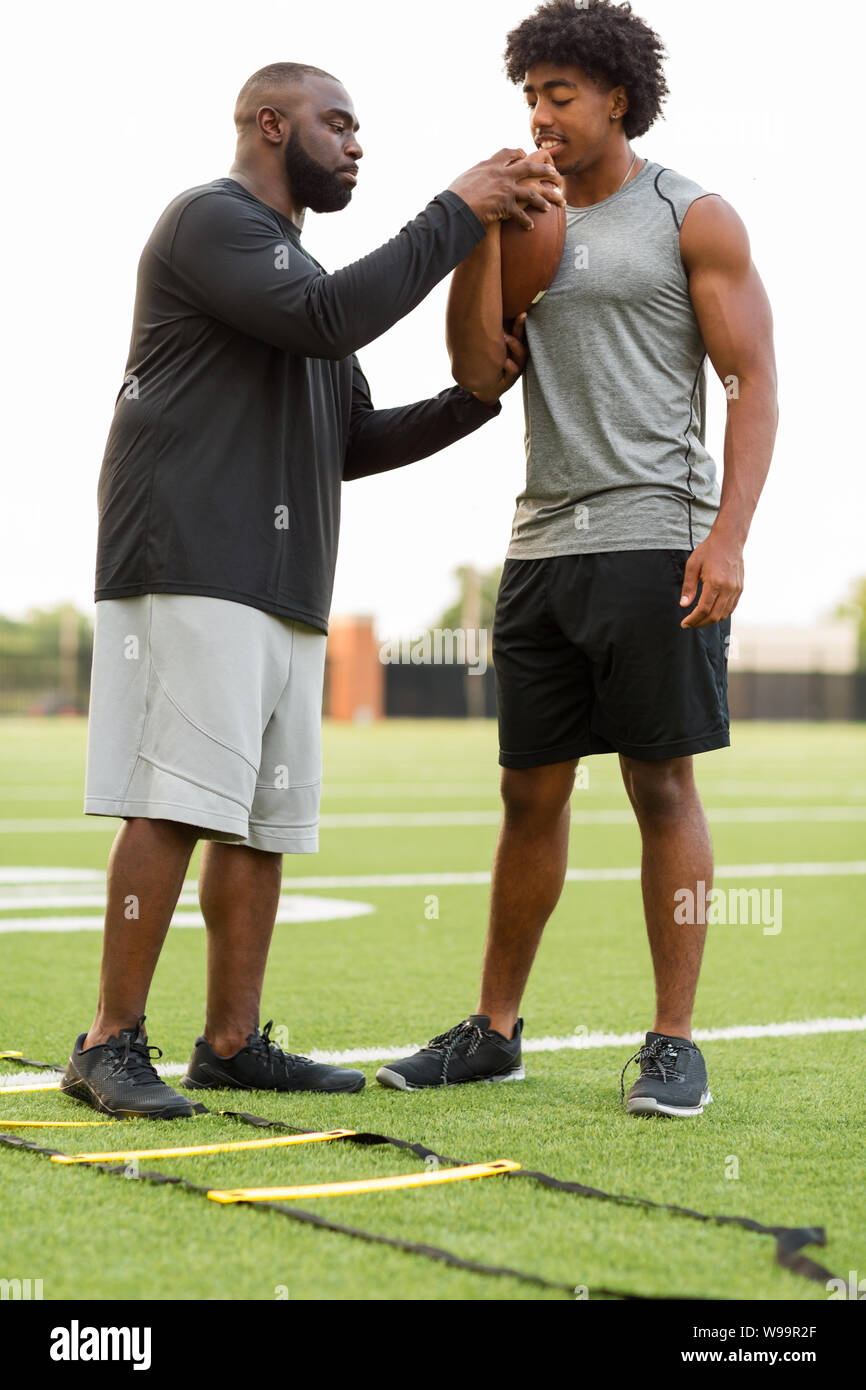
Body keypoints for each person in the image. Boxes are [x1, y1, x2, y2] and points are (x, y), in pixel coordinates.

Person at [62, 60, 563, 1119]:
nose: (354, 144)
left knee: (260, 822)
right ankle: (108, 1039)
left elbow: (351, 440)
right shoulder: (213, 224)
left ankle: (232, 1044)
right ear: (268, 122)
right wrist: (457, 210)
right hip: (192, 563)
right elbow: (335, 316)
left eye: (359, 129)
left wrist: (478, 398)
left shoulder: (299, 272)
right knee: (175, 801)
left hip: (283, 585)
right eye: (337, 125)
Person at [377, 0, 778, 1116]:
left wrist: (728, 534)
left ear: (615, 98)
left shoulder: (691, 216)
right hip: (543, 541)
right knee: (525, 792)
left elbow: (753, 386)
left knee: (658, 783)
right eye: (528, 96)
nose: (539, 115)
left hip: (657, 533)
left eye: (559, 93)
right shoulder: (526, 215)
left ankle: (672, 1040)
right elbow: (475, 372)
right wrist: (480, 228)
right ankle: (493, 1030)